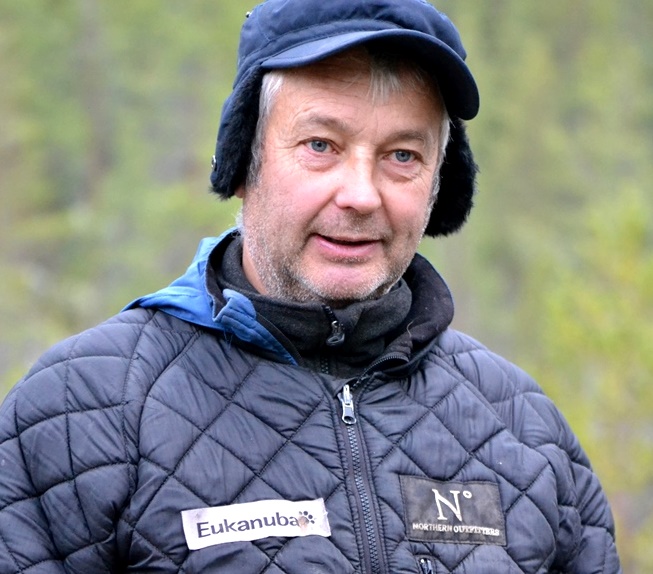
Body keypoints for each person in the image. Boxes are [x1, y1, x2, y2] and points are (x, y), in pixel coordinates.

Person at [0, 0, 621, 572]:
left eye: (402, 156)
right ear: (244, 162)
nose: (360, 195)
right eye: (321, 145)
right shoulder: (82, 414)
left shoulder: (524, 430)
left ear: (437, 187)